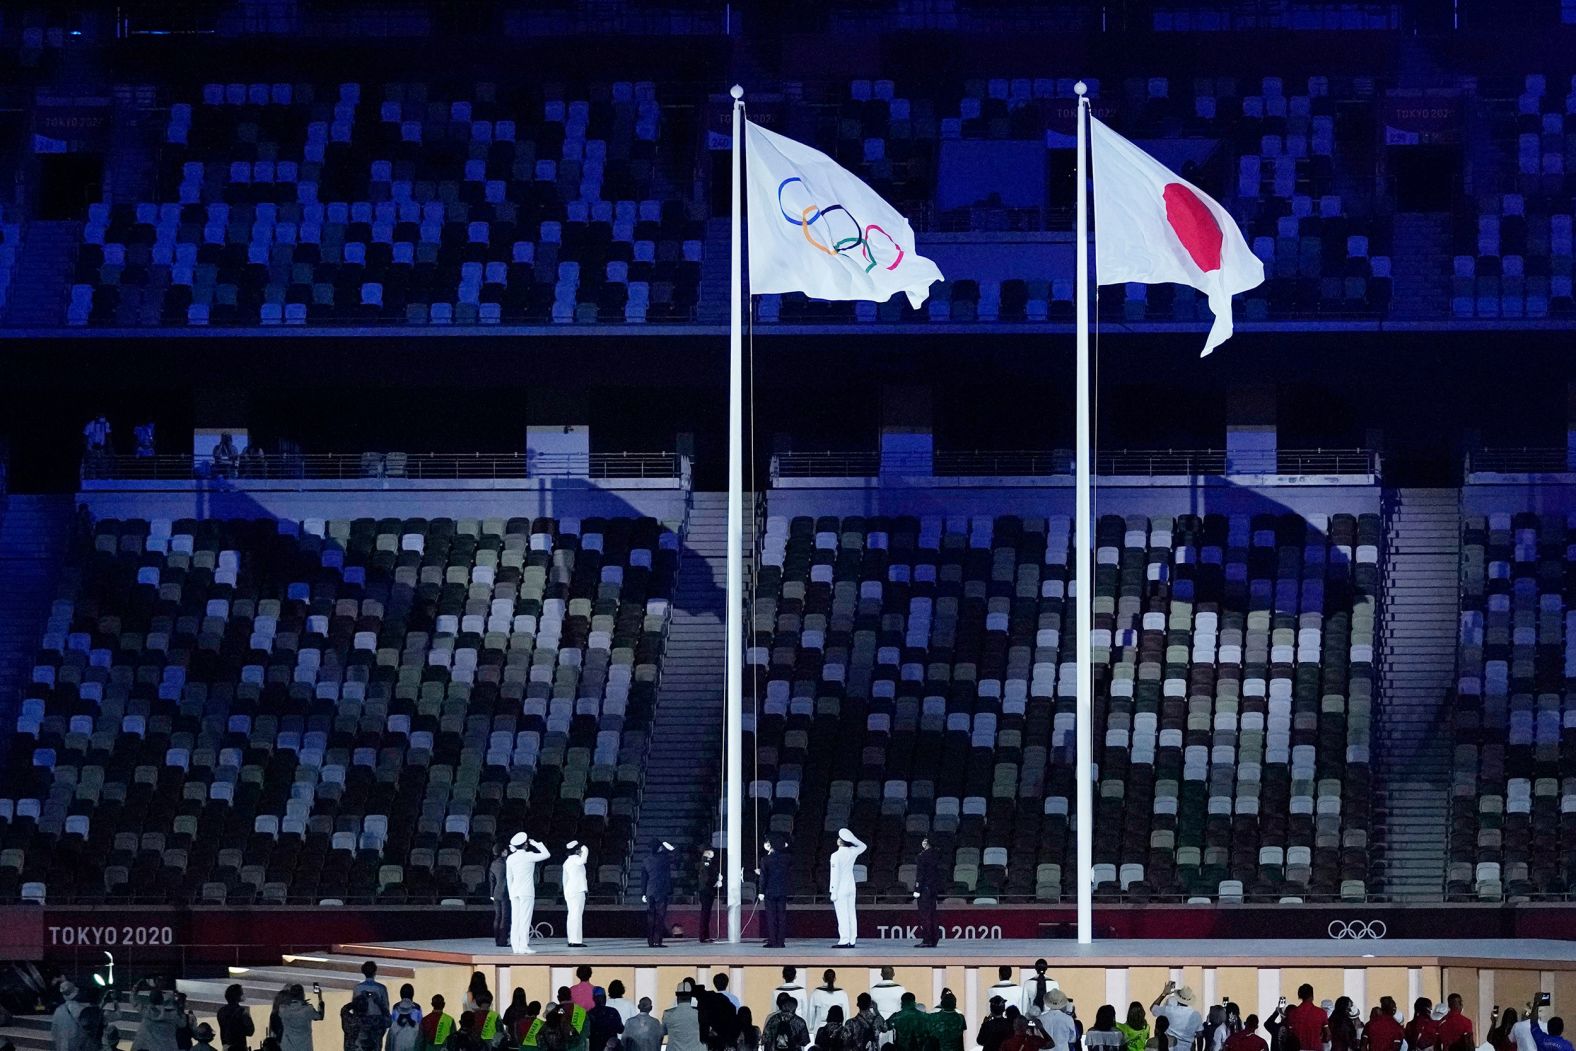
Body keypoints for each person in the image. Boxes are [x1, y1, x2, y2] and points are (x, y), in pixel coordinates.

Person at [507, 833, 552, 954]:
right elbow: (547, 854)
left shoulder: (510, 858)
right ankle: (524, 946)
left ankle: (515, 946)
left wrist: (511, 893)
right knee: (525, 919)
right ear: (525, 844)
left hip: (515, 891)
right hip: (526, 891)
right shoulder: (529, 855)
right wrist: (537, 844)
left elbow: (509, 878)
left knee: (515, 919)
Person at [827, 829, 867, 948]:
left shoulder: (835, 855)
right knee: (851, 913)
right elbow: (863, 846)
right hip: (851, 886)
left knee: (842, 914)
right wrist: (853, 839)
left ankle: (844, 940)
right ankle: (852, 939)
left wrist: (833, 891)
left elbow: (835, 874)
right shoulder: (852, 851)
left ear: (840, 841)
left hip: (840, 888)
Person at [757, 837, 792, 949]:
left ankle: (772, 941)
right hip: (782, 891)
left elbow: (763, 877)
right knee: (781, 917)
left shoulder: (765, 859)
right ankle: (781, 941)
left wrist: (761, 891)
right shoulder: (787, 858)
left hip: (770, 891)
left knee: (771, 917)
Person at [641, 842, 676, 948]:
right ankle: (657, 941)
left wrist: (643, 893)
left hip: (650, 891)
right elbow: (677, 856)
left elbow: (644, 878)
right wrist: (670, 847)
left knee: (651, 917)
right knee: (660, 917)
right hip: (661, 891)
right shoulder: (664, 859)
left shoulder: (646, 860)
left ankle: (650, 941)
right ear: (660, 848)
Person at [1152, 985, 1201, 1051]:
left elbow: (1153, 1008)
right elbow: (1200, 1034)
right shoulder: (1196, 1015)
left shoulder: (1169, 1010)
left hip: (1170, 1047)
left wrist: (1164, 994)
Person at [278, 986, 326, 1051]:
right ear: (303, 995)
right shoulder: (308, 1010)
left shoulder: (283, 1010)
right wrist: (320, 997)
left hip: (287, 1047)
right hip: (304, 1047)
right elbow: (320, 1016)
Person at [53, 982, 98, 1051]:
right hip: (77, 1045)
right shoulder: (81, 1009)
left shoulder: (58, 1010)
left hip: (63, 1045)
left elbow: (54, 1031)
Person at [696, 980, 740, 1051]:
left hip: (720, 1034)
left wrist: (705, 1037)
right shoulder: (717, 997)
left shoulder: (704, 1002)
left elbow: (704, 1022)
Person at [563, 841, 590, 948]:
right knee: (576, 915)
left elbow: (565, 880)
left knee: (572, 915)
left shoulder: (566, 862)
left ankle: (571, 939)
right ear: (577, 850)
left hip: (570, 890)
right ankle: (576, 940)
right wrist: (586, 848)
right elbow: (583, 860)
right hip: (577, 890)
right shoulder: (575, 860)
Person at [1283, 987, 1328, 1051]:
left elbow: (1289, 1033)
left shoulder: (1292, 1013)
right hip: (1316, 1048)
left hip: (1298, 1048)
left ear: (1300, 996)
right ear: (1312, 996)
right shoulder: (1321, 1013)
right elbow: (1327, 1036)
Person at [809, 973, 851, 1039]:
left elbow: (811, 1013)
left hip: (819, 1028)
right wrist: (846, 1028)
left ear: (823, 978)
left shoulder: (816, 993)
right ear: (835, 979)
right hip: (838, 1030)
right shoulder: (842, 993)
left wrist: (811, 1027)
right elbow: (846, 1013)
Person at [663, 986, 702, 1051]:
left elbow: (663, 1032)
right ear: (691, 997)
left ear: (677, 997)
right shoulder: (700, 1014)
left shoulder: (668, 1014)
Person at [697, 848, 722, 943]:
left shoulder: (706, 863)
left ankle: (705, 936)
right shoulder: (706, 863)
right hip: (707, 891)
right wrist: (716, 882)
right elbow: (707, 878)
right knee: (705, 914)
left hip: (706, 891)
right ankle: (703, 936)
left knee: (706, 914)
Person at [489, 845, 512, 948]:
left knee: (497, 917)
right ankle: (503, 940)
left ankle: (497, 940)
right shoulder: (506, 863)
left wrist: (491, 894)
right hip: (505, 892)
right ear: (502, 852)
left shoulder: (493, 864)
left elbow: (491, 880)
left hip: (496, 893)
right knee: (505, 917)